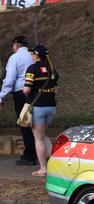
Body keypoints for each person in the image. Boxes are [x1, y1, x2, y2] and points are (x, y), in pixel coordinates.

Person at [0, 36, 36, 166]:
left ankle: (29, 156)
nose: (12, 48)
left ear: (16, 45)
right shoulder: (33, 56)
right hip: (35, 93)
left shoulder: (15, 58)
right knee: (34, 124)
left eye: (12, 45)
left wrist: (1, 96)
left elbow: (9, 80)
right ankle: (35, 152)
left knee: (25, 124)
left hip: (21, 93)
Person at [23, 45, 58, 177]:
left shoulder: (32, 69)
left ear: (37, 55)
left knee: (38, 139)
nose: (31, 56)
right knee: (44, 136)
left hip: (38, 107)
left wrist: (25, 92)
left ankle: (43, 169)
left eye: (32, 54)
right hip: (51, 106)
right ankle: (55, 165)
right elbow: (56, 89)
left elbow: (26, 89)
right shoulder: (52, 69)